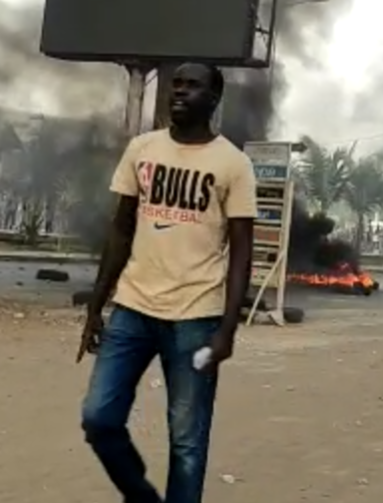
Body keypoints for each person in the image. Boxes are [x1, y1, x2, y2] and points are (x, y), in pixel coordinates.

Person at [76, 62, 257, 503]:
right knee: (98, 417)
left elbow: (242, 253)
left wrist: (228, 330)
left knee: (187, 443)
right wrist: (96, 306)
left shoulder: (233, 164)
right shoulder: (142, 149)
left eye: (192, 86)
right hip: (132, 312)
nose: (179, 92)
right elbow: (120, 230)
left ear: (213, 99)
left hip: (196, 320)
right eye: (176, 84)